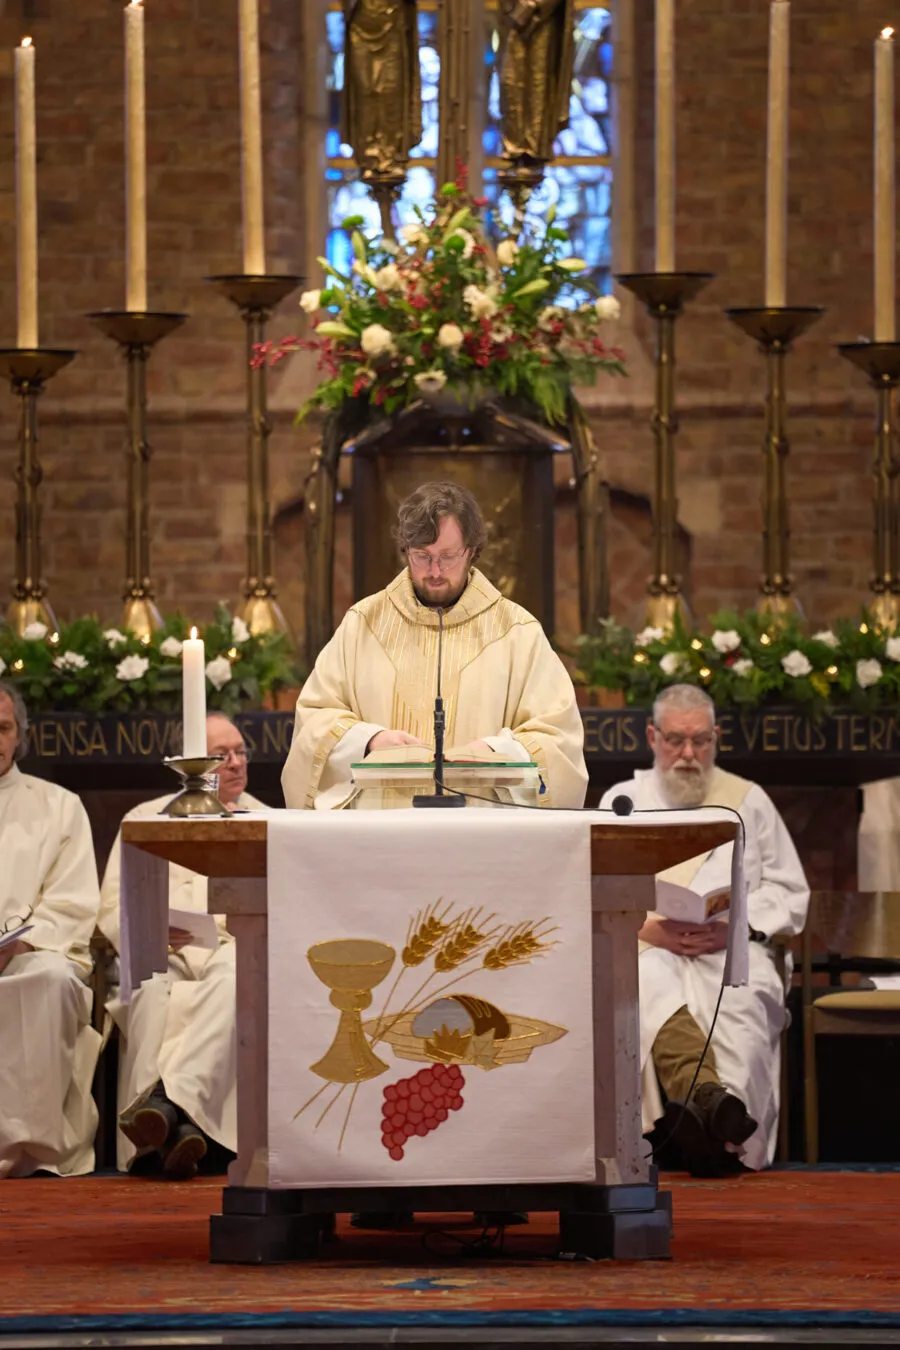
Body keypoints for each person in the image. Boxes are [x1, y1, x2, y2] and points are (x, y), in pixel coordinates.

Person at [600, 683, 809, 1177]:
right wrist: (648, 927)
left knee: (741, 1007)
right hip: (649, 947)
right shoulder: (623, 800)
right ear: (652, 736)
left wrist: (736, 928)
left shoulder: (749, 801)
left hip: (730, 951)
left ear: (716, 738)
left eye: (700, 741)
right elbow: (599, 885)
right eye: (675, 740)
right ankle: (703, 1119)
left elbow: (789, 890)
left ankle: (717, 1140)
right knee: (645, 985)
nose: (688, 754)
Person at [283, 480, 588, 811]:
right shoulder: (362, 625)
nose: (435, 571)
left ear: (472, 551)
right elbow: (314, 719)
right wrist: (368, 741)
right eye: (422, 557)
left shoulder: (517, 632)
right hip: (380, 836)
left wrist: (497, 752)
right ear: (405, 551)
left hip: (479, 834)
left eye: (448, 556)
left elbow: (557, 738)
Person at [99, 713, 265, 1180]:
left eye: (241, 751)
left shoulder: (270, 822)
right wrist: (148, 928)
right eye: (221, 755)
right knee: (153, 992)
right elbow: (113, 906)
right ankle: (181, 1130)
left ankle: (165, 1109)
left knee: (236, 976)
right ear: (189, 766)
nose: (235, 763)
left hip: (232, 952)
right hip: (162, 957)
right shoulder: (145, 820)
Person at [0, 680, 102, 1178]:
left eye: (3, 728)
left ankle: (31, 1147)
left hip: (26, 953)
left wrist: (21, 941)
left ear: (20, 735)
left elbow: (72, 900)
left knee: (50, 980)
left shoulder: (59, 805)